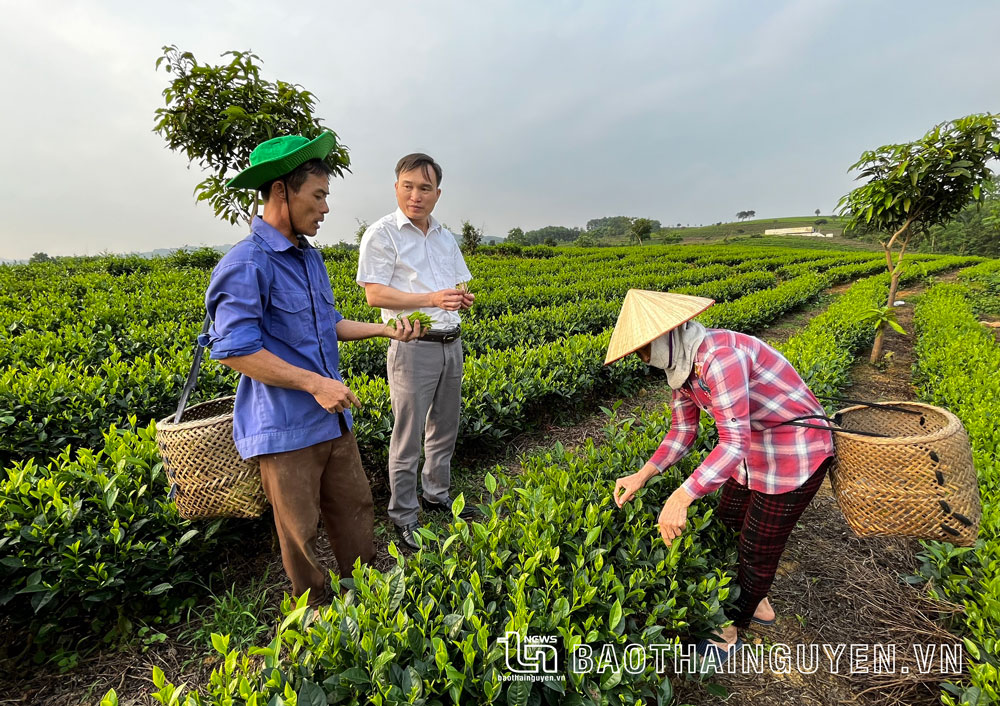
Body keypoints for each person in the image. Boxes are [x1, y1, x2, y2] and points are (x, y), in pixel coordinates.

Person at [202, 133, 421, 606]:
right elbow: (235, 350)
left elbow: (330, 325)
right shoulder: (246, 264)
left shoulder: (309, 259)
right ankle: (317, 617)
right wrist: (314, 382)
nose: (325, 208)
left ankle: (365, 602)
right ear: (281, 191)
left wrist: (385, 331)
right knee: (299, 533)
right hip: (284, 429)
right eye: (318, 196)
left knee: (355, 509)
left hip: (332, 419)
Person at [607, 290, 834, 664]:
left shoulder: (719, 357)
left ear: (666, 336)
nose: (643, 358)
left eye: (644, 349)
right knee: (728, 521)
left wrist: (681, 497)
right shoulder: (682, 368)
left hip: (795, 453)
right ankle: (755, 599)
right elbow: (683, 432)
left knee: (757, 548)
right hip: (752, 451)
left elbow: (732, 442)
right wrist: (642, 475)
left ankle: (731, 630)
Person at [356, 153, 476, 550]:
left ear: (437, 194)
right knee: (407, 437)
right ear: (396, 188)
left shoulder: (444, 235)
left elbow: (452, 286)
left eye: (425, 188)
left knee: (444, 427)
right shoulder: (382, 234)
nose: (416, 195)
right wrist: (430, 298)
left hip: (450, 343)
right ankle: (403, 516)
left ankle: (436, 496)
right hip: (412, 346)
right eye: (408, 186)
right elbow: (374, 294)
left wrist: (460, 298)